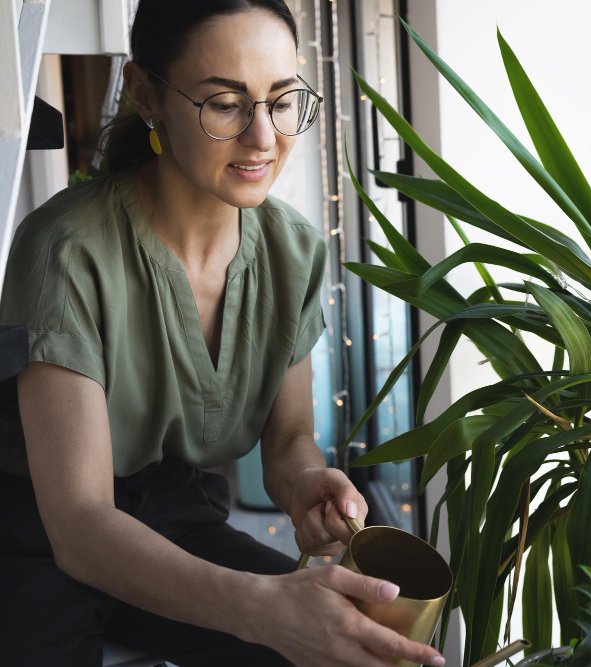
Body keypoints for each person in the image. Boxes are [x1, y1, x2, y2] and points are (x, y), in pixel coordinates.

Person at [0, 1, 446, 666]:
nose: (263, 137)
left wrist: (303, 484)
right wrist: (261, 610)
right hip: (38, 534)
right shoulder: (66, 250)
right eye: (225, 104)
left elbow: (289, 437)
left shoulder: (293, 249)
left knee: (340, 644)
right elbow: (81, 526)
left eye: (282, 100)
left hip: (181, 515)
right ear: (147, 94)